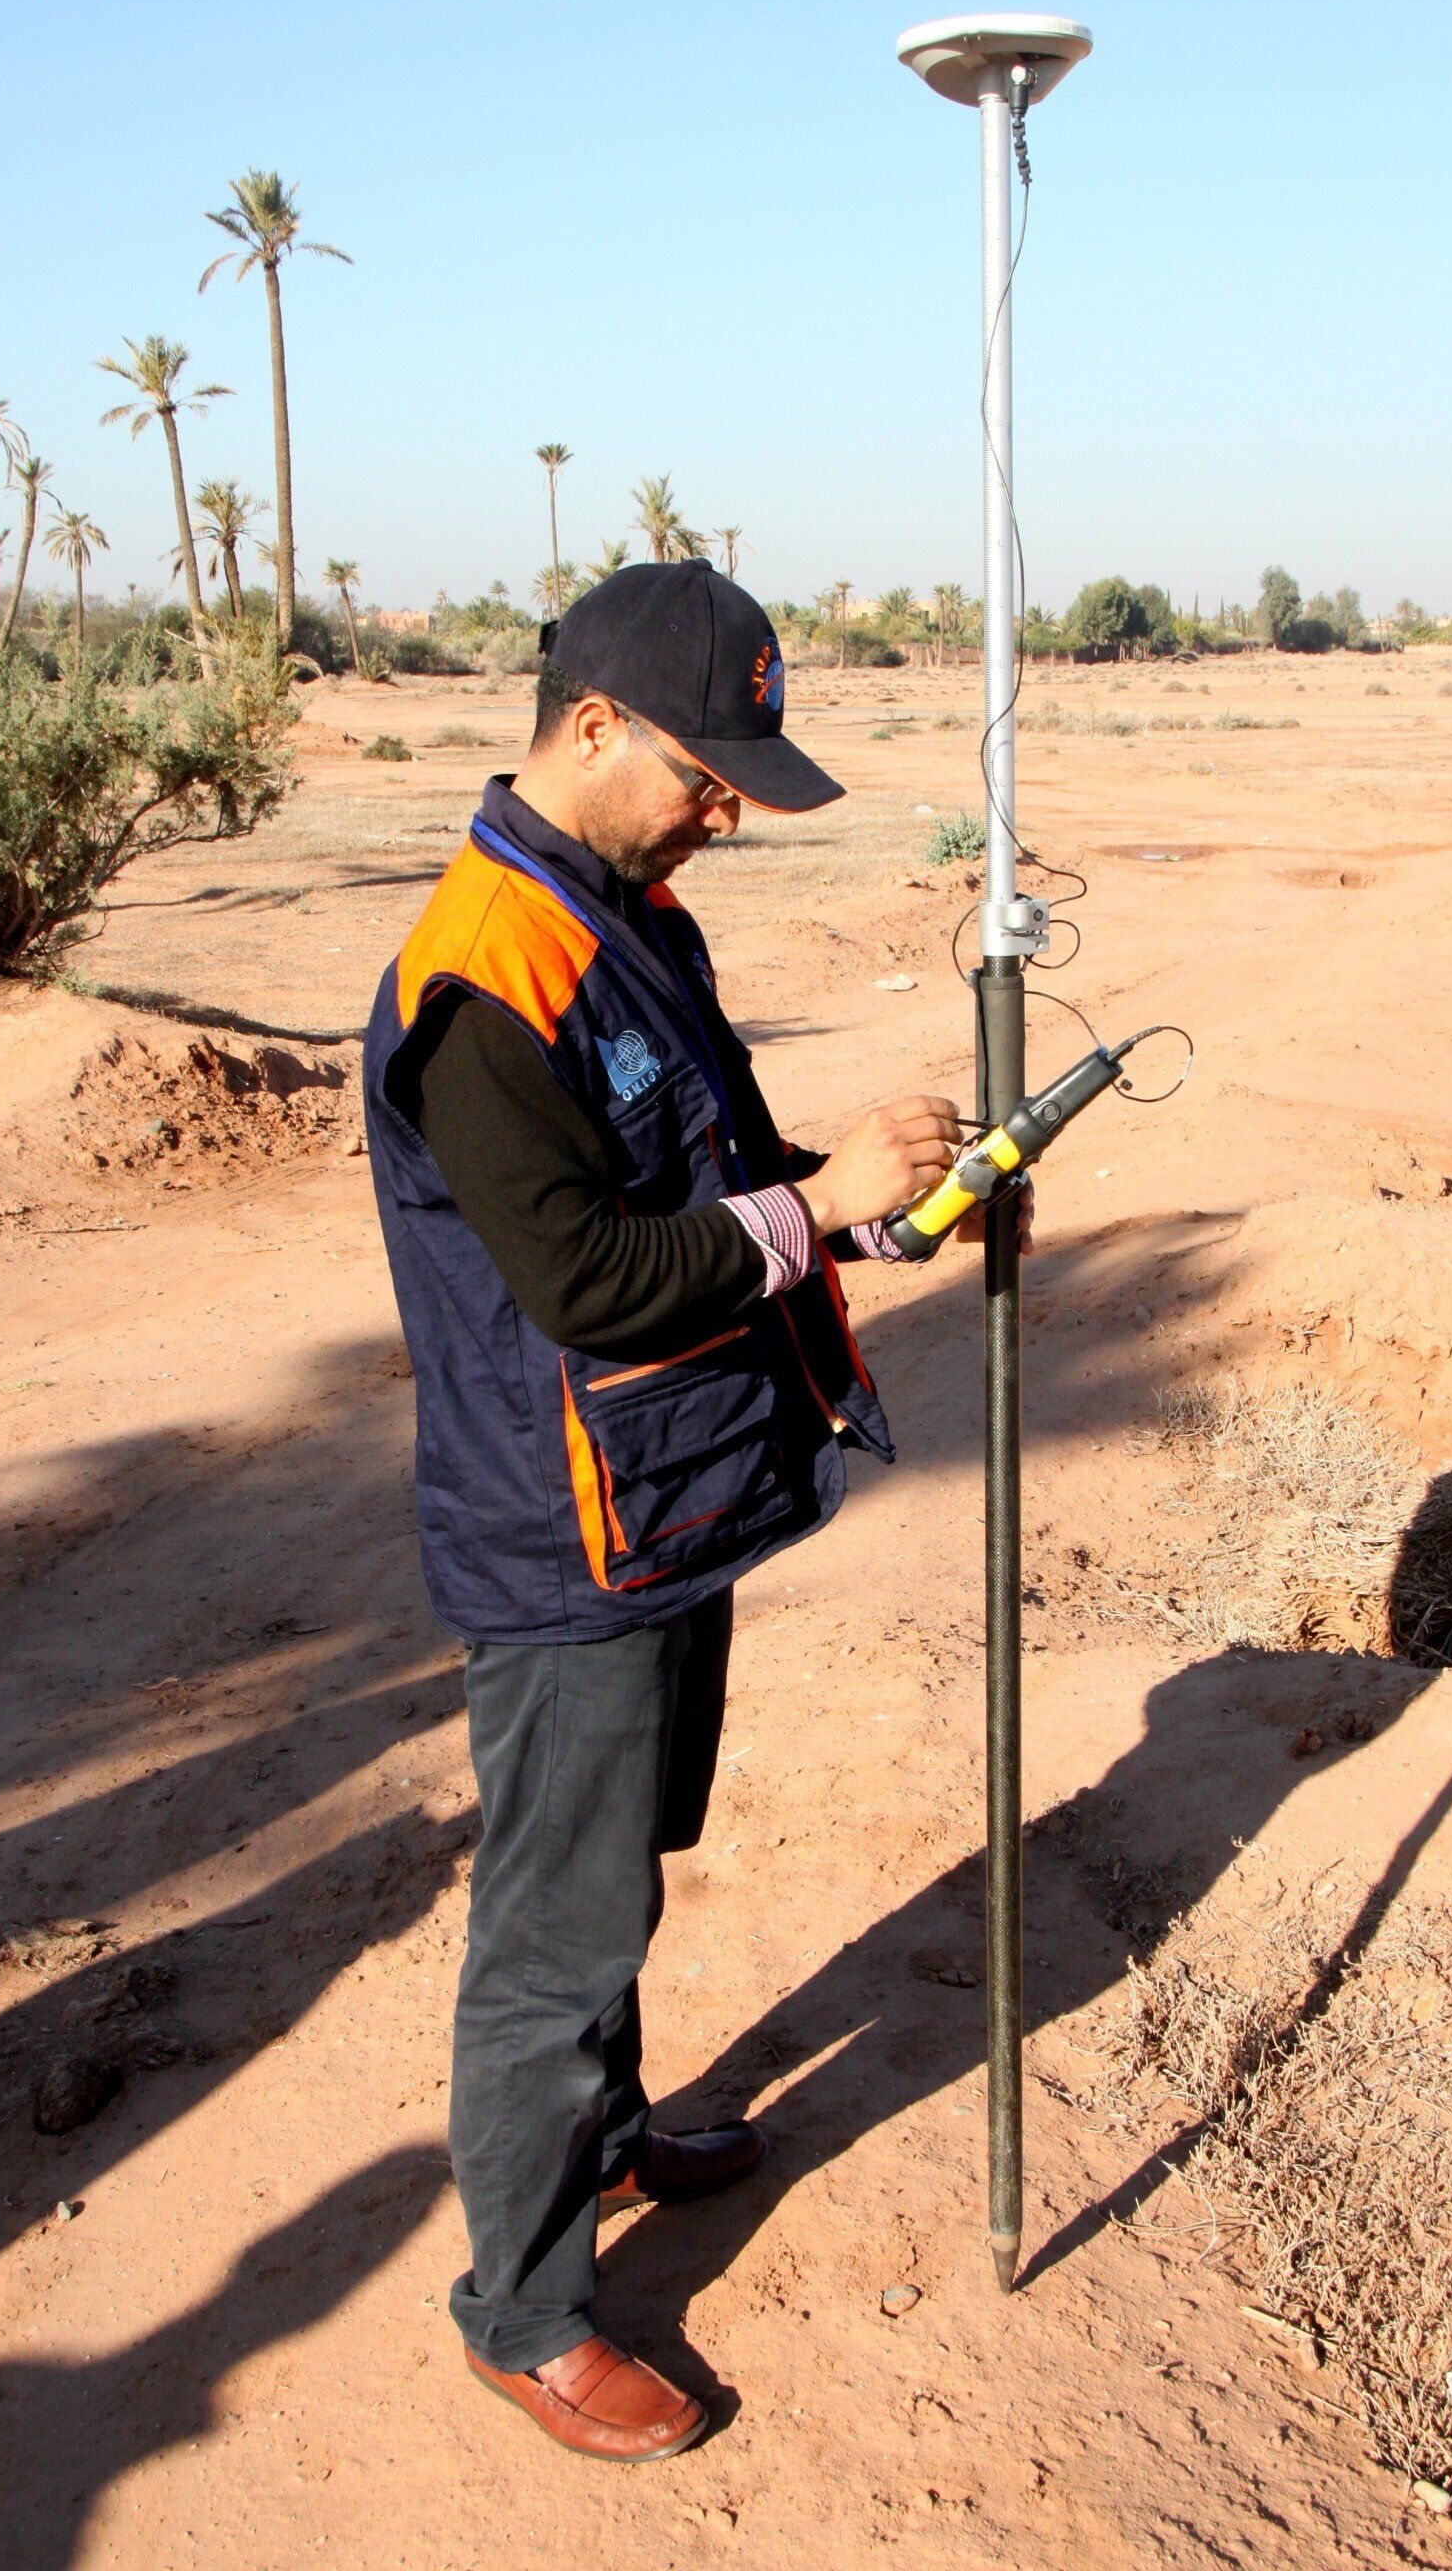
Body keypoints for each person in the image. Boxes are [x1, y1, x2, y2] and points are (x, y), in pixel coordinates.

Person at [362, 561, 1006, 2462]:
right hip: (568, 1532)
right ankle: (527, 2310)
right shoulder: (483, 975)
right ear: (590, 729)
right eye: (706, 775)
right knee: (554, 1933)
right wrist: (816, 1209)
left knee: (619, 1868)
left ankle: (615, 2132)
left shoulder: (630, 916)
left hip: (668, 1496)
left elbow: (710, 1180)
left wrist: (881, 1212)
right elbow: (587, 1275)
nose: (726, 811)